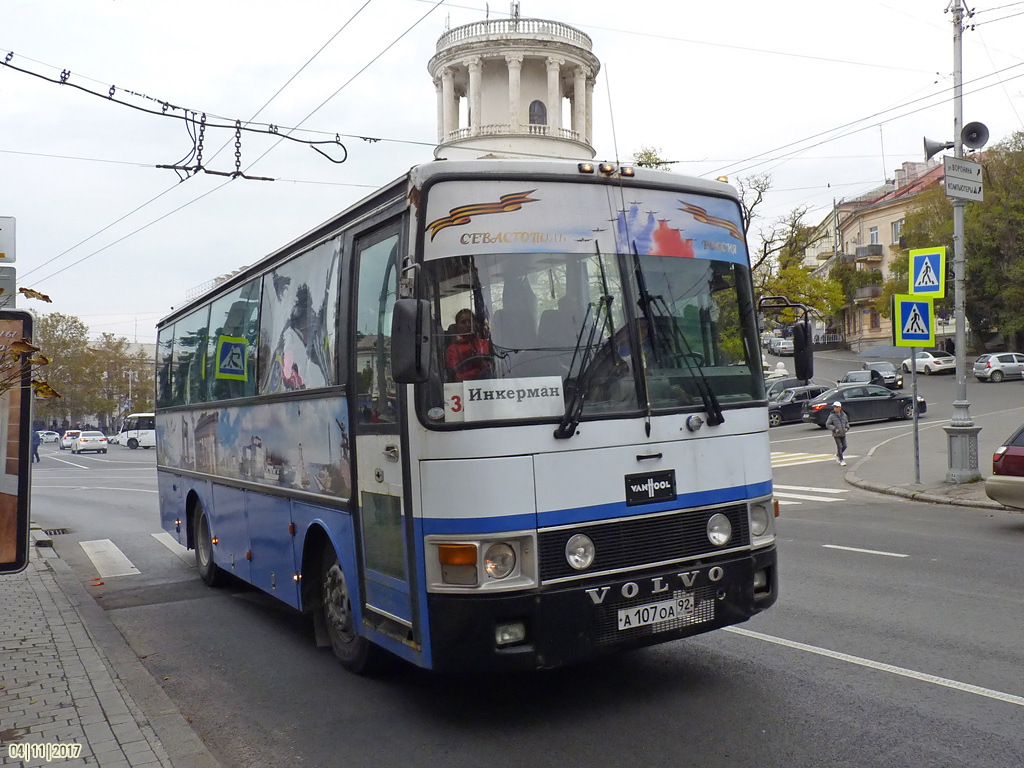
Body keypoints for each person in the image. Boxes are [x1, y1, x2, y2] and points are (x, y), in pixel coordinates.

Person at [445, 308, 493, 381]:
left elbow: (496, 365)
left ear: (475, 324)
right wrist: (478, 372)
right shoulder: (452, 350)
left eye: (470, 321)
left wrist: (489, 366)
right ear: (457, 327)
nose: (468, 325)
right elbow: (455, 377)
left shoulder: (485, 344)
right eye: (463, 322)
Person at [825, 401, 850, 466]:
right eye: (834, 407)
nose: (835, 409)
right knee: (839, 446)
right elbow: (828, 424)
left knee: (845, 446)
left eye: (837, 407)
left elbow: (846, 423)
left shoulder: (844, 415)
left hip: (843, 433)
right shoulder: (832, 416)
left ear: (840, 408)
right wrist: (834, 429)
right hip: (836, 434)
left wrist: (847, 428)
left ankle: (838, 455)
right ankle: (841, 460)